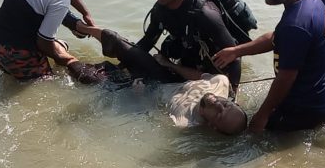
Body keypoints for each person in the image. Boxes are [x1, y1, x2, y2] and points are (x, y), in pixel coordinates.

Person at [64, 0, 242, 88]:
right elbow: (148, 42)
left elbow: (235, 55)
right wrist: (124, 66)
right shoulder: (160, 9)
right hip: (183, 63)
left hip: (209, 72)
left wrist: (232, 91)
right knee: (115, 48)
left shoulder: (205, 13)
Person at [213, 0, 325, 133]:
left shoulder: (296, 23)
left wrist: (262, 115)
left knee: (235, 135)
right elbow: (275, 38)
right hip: (318, 99)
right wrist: (236, 51)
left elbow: (286, 78)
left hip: (302, 111)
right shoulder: (311, 2)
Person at [66, 23, 247, 135]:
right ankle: (75, 24)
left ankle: (61, 52)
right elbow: (201, 76)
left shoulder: (183, 123)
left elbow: (152, 114)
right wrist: (170, 65)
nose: (220, 105)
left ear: (212, 127)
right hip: (163, 78)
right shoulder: (221, 82)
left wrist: (140, 95)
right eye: (227, 105)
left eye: (220, 113)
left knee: (83, 73)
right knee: (111, 38)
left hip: (143, 90)